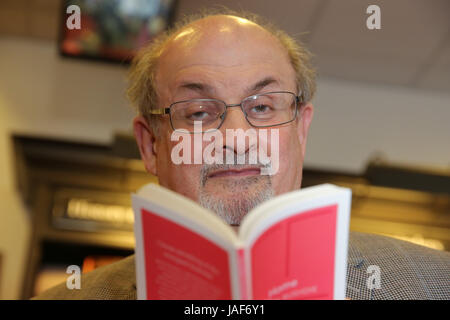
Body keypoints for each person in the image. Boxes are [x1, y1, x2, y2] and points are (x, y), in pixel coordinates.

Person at [33, 10, 449, 300]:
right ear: (151, 145)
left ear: (301, 131)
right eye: (198, 112)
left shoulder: (434, 282)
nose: (236, 136)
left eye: (263, 107)